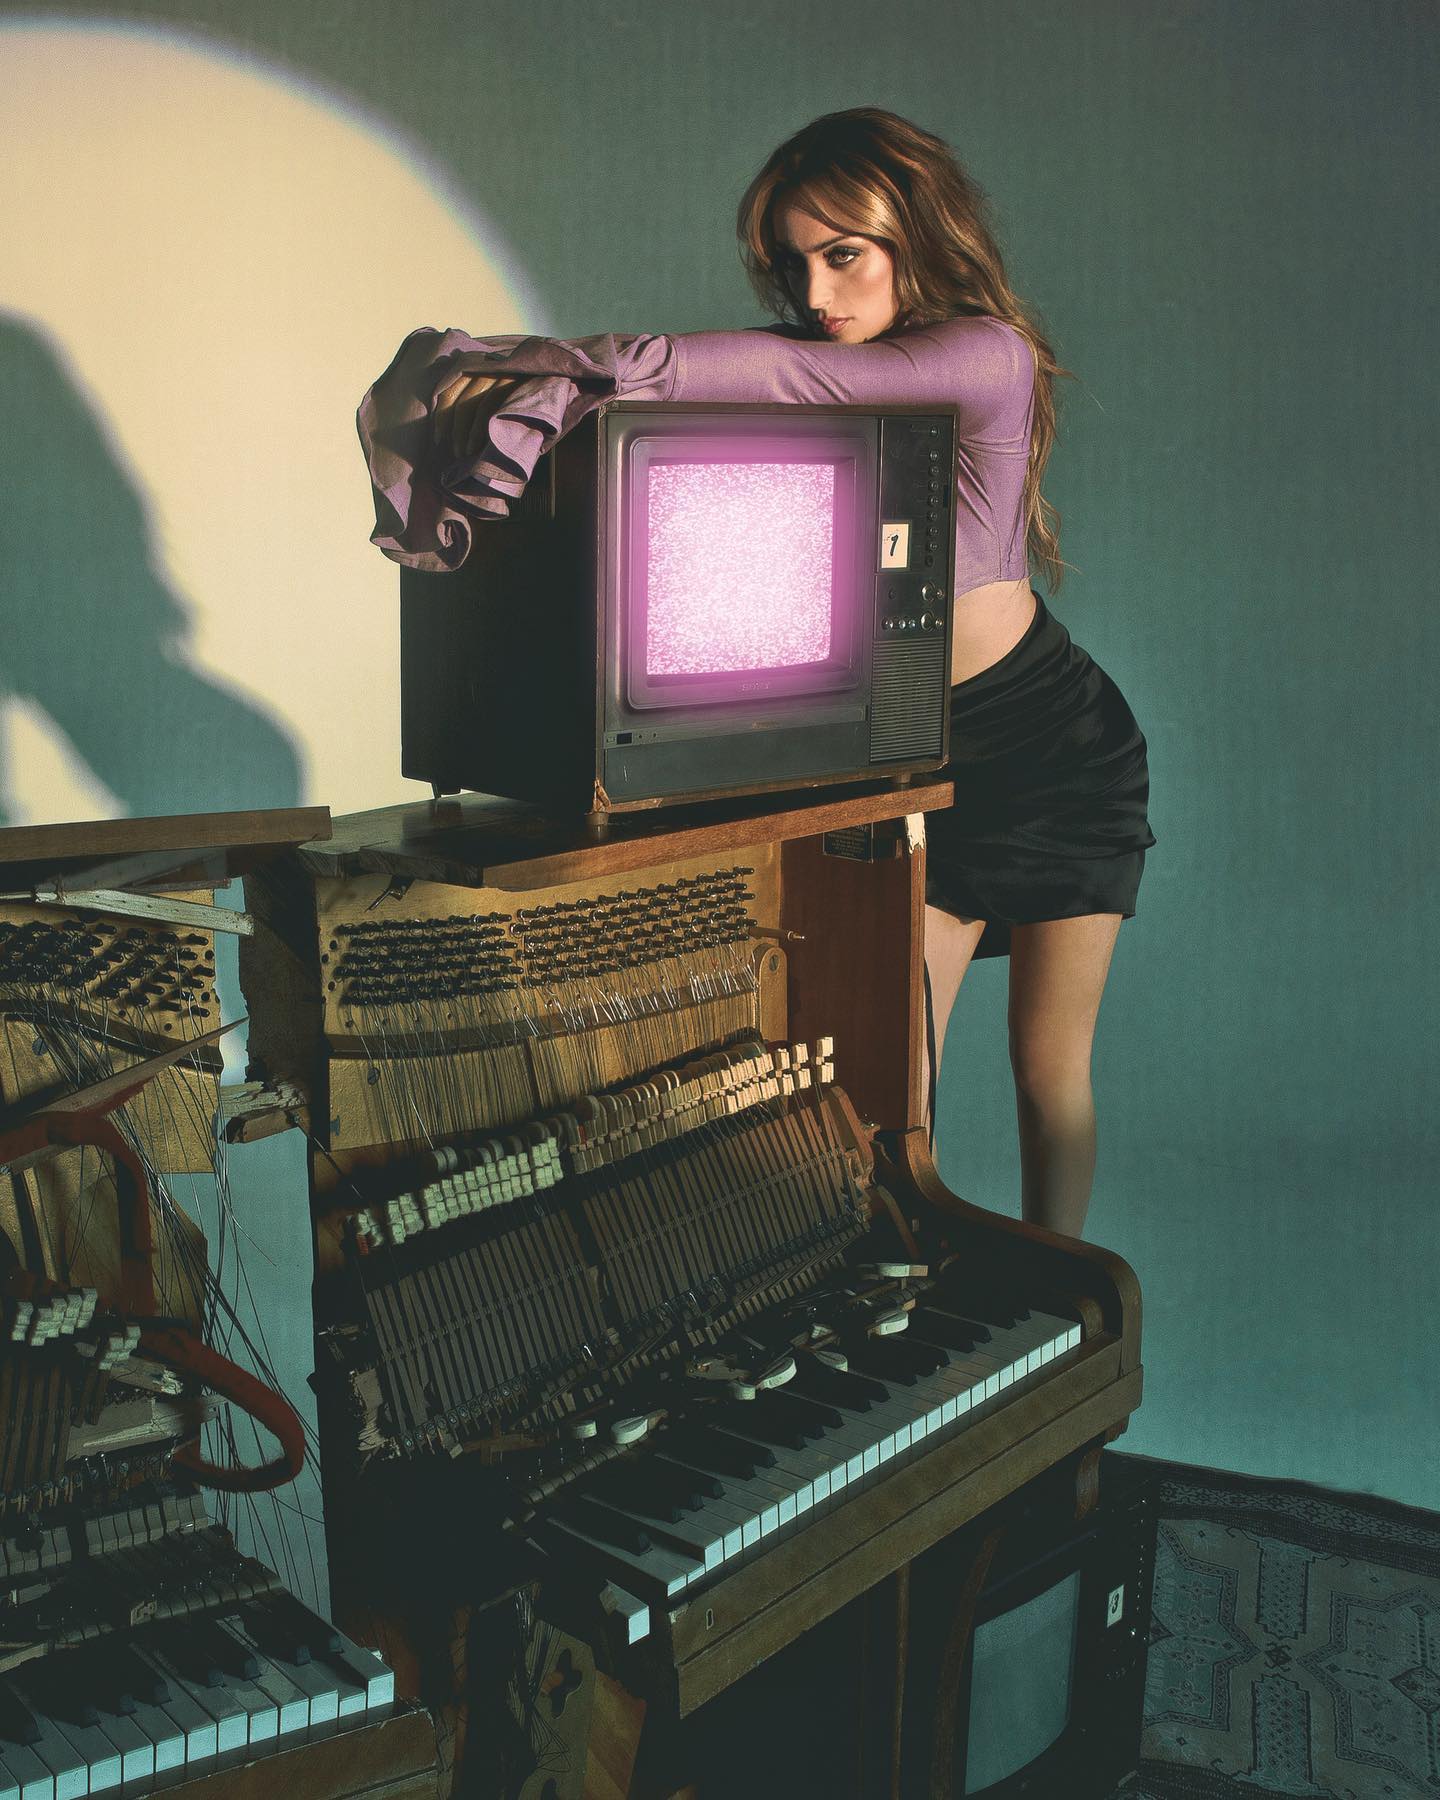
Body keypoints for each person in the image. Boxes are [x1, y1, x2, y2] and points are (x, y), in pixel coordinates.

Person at [358, 107, 1153, 1241]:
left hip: (1057, 748)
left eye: (846, 255)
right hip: (918, 754)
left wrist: (568, 362)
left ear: (918, 235)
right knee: (897, 1079)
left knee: (1048, 1074)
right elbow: (770, 372)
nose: (818, 294)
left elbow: (790, 378)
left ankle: (1058, 1296)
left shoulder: (988, 352)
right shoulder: (847, 354)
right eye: (796, 263)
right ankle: (907, 1286)